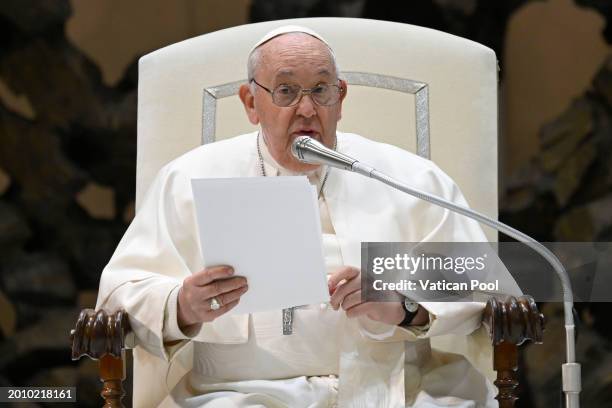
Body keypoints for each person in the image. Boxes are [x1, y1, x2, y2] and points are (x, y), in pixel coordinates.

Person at [96, 26, 502, 407]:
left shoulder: (407, 177)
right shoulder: (188, 179)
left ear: (340, 98)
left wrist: (405, 304)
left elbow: (485, 282)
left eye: (320, 90)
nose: (306, 109)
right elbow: (119, 295)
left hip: (397, 388)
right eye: (286, 91)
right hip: (238, 394)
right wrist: (182, 304)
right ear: (251, 102)